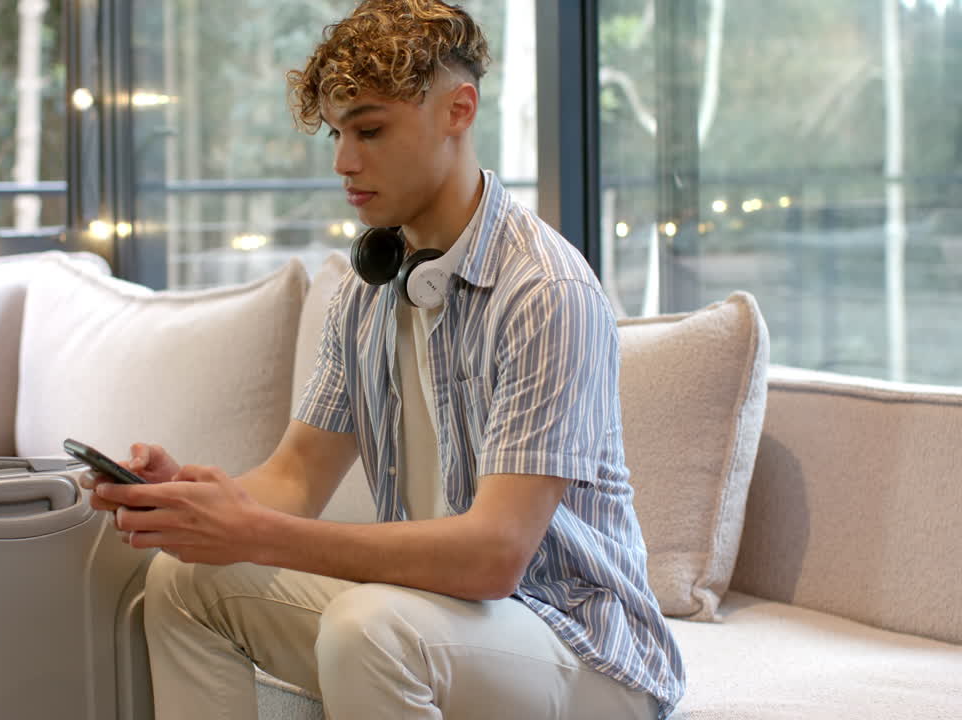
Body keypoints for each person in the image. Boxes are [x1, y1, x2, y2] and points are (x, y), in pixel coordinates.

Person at [81, 1, 685, 717]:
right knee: (184, 584)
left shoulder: (545, 292)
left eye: (369, 130)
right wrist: (200, 504)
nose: (344, 161)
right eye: (337, 133)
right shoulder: (367, 288)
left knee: (368, 628)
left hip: (582, 648)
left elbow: (494, 556)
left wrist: (260, 534)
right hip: (436, 620)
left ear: (459, 110)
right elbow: (296, 476)